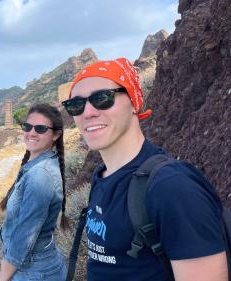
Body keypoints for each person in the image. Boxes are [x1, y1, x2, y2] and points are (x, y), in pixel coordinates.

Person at [62, 58, 227, 281]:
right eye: (76, 105)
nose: (87, 112)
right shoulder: (102, 177)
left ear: (133, 102)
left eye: (102, 98)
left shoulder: (172, 187)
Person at [0, 103, 67, 281]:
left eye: (41, 129)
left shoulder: (40, 175)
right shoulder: (37, 167)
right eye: (27, 127)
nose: (31, 133)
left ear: (56, 135)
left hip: (33, 272)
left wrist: (2, 277)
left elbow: (24, 236)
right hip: (37, 266)